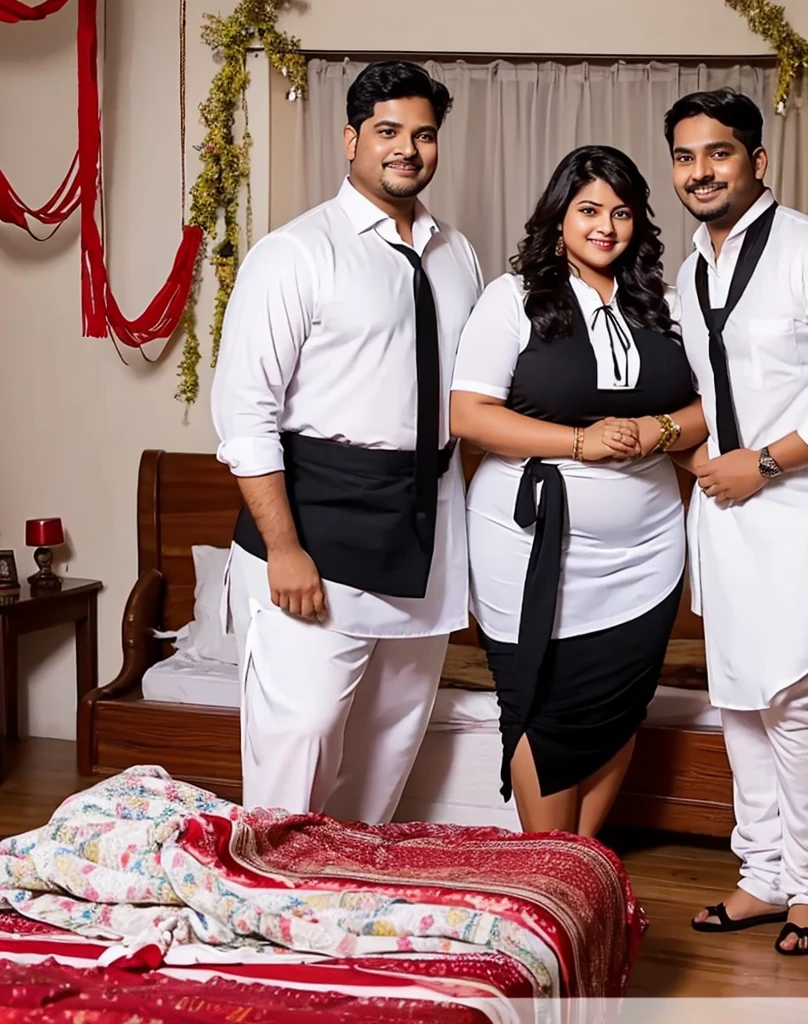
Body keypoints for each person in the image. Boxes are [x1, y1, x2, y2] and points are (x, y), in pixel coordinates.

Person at [210, 61, 484, 822]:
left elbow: (469, 404)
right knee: (299, 741)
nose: (408, 149)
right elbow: (244, 415)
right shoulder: (294, 254)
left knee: (390, 745)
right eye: (388, 132)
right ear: (350, 140)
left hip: (424, 524)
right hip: (318, 526)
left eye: (423, 134)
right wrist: (285, 547)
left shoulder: (457, 255)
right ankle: (267, 908)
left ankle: (344, 913)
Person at [664, 88, 808, 955]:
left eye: (719, 154)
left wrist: (762, 461)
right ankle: (763, 874)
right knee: (738, 697)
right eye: (686, 157)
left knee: (797, 692)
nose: (702, 172)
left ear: (757, 162)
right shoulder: (690, 273)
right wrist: (692, 447)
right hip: (728, 511)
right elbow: (714, 395)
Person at [450, 145, 707, 838]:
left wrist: (655, 428)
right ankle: (548, 871)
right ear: (558, 215)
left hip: (648, 548)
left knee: (619, 701)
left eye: (621, 213)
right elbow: (470, 415)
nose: (606, 227)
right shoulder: (514, 300)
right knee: (542, 701)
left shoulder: (666, 304)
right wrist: (579, 443)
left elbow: (715, 408)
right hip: (529, 545)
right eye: (589, 210)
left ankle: (579, 866)